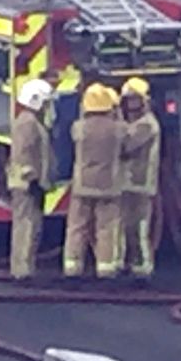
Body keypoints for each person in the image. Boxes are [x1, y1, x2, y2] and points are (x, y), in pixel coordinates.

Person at [63, 83, 125, 279]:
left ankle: (72, 267)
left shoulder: (78, 128)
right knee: (106, 228)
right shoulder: (118, 129)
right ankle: (105, 269)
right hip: (109, 187)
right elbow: (128, 143)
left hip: (82, 186)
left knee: (77, 227)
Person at [7, 78, 55, 280]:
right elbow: (23, 153)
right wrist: (32, 180)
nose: (48, 107)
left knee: (28, 226)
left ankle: (23, 268)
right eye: (46, 103)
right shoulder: (28, 124)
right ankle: (22, 272)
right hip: (26, 184)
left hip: (27, 182)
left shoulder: (30, 121)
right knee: (26, 227)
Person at [119, 76, 161, 280]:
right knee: (127, 227)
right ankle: (131, 265)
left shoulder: (146, 125)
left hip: (139, 184)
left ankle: (143, 268)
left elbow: (125, 146)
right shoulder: (133, 123)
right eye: (128, 100)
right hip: (128, 184)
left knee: (138, 228)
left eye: (135, 100)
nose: (131, 105)